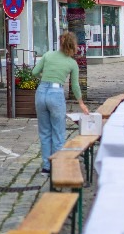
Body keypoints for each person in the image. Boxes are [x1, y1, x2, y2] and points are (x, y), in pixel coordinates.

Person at [32, 31, 89, 172]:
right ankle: (57, 166)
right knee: (58, 133)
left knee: (45, 132)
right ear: (73, 46)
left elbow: (34, 72)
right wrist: (81, 103)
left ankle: (46, 167)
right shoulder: (72, 63)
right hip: (56, 94)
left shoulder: (48, 55)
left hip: (41, 92)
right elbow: (75, 86)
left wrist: (45, 77)